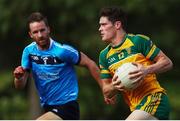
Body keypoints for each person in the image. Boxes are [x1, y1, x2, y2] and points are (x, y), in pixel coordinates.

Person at [13, 12, 102, 120]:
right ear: (30, 34)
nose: (40, 35)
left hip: (67, 106)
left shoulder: (63, 51)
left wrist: (105, 87)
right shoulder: (28, 52)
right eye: (35, 32)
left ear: (48, 29)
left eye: (42, 30)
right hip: (47, 106)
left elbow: (89, 63)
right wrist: (18, 78)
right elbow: (20, 86)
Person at [98, 6, 173, 120]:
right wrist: (117, 84)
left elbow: (167, 62)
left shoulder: (138, 41)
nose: (100, 29)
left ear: (117, 25)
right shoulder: (104, 56)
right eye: (100, 25)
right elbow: (106, 91)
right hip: (136, 107)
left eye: (104, 25)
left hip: (154, 98)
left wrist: (146, 70)